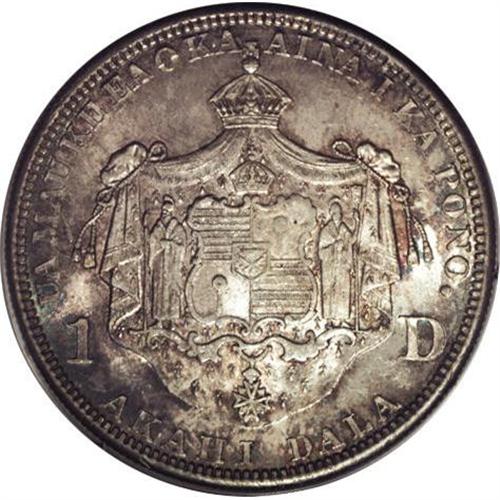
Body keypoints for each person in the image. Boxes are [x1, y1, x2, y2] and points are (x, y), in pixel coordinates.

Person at [319, 198, 359, 326]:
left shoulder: (343, 228)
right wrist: (334, 246)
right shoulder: (326, 231)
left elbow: (352, 240)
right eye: (336, 212)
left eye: (340, 212)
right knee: (330, 292)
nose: (339, 215)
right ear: (331, 213)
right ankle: (330, 319)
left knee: (343, 291)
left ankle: (342, 319)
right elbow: (321, 252)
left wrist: (357, 223)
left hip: (342, 266)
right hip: (330, 269)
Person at [148, 196, 187, 328]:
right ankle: (159, 320)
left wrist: (169, 244)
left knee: (173, 290)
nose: (164, 214)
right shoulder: (158, 227)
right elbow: (152, 241)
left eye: (167, 212)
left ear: (171, 213)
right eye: (163, 211)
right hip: (160, 265)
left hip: (172, 265)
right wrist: (158, 245)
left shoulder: (178, 228)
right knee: (159, 289)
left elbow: (182, 246)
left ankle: (174, 319)